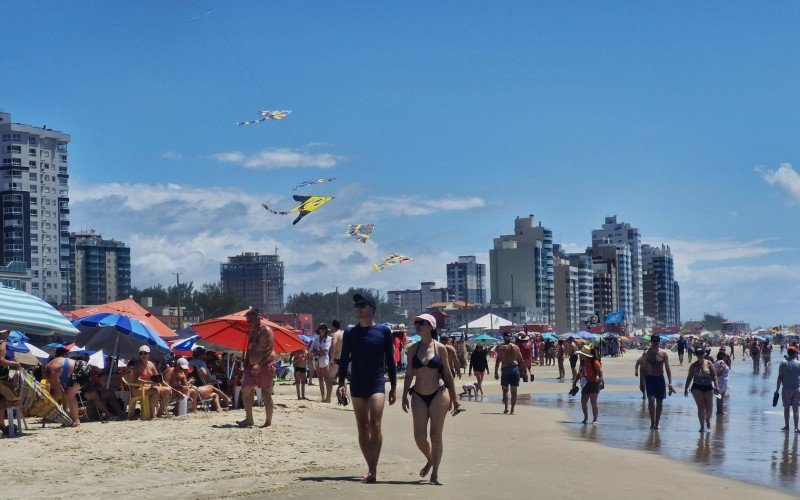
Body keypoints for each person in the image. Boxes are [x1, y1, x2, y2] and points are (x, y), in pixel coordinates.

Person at [336, 293, 397, 483]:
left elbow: (391, 361)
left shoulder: (384, 331)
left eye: (362, 305)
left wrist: (394, 386)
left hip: (377, 382)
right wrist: (341, 383)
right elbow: (345, 359)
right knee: (362, 426)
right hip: (357, 383)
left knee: (375, 424)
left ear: (372, 309)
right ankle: (370, 467)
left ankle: (373, 468)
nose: (358, 308)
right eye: (356, 305)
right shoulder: (350, 333)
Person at [402, 313, 461, 485]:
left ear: (431, 326)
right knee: (419, 437)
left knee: (436, 435)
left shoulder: (440, 348)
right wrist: (404, 394)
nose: (418, 325)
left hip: (438, 394)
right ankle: (430, 459)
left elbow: (448, 375)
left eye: (422, 322)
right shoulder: (412, 349)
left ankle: (434, 474)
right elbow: (408, 375)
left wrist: (455, 398)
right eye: (417, 323)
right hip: (418, 395)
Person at [237, 309, 276, 428]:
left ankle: (268, 421)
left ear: (258, 317)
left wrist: (259, 364)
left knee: (266, 392)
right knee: (246, 390)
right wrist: (245, 363)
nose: (249, 322)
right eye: (248, 320)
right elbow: (250, 349)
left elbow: (269, 350)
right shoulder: (251, 332)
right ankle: (249, 419)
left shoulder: (266, 331)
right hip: (251, 365)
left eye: (251, 319)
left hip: (265, 364)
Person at [45, 347, 93, 426]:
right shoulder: (52, 367)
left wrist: (48, 407)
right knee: (67, 395)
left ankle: (76, 421)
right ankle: (69, 419)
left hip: (82, 369)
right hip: (79, 369)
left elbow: (59, 393)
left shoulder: (50, 371)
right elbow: (60, 393)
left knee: (69, 395)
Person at [129, 345, 174, 418]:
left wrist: (167, 385)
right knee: (155, 391)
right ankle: (152, 414)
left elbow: (158, 378)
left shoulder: (151, 364)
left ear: (149, 354)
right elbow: (136, 380)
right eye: (141, 353)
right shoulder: (137, 365)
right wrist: (150, 383)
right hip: (137, 389)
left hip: (148, 388)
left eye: (145, 353)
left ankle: (160, 413)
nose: (143, 355)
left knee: (168, 390)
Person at [642, 335, 674, 429]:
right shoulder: (647, 353)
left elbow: (668, 368)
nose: (656, 343)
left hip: (660, 378)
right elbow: (643, 368)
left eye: (657, 341)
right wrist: (641, 382)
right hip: (650, 378)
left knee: (660, 402)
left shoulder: (663, 353)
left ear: (659, 342)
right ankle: (652, 422)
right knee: (651, 400)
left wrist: (670, 382)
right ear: (651, 342)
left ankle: (657, 422)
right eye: (654, 341)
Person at [684, 347, 719, 432]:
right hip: (697, 387)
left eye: (701, 354)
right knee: (701, 407)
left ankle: (707, 419)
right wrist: (686, 388)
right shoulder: (693, 365)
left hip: (708, 387)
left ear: (704, 354)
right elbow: (689, 377)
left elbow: (714, 375)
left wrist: (716, 386)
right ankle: (702, 426)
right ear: (696, 355)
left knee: (709, 407)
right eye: (698, 354)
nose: (700, 356)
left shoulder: (709, 363)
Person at [494, 332, 529, 415]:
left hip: (505, 369)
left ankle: (506, 408)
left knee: (505, 390)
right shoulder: (516, 347)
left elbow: (498, 360)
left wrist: (496, 372)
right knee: (514, 391)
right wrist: (524, 372)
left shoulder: (501, 348)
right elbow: (521, 360)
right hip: (514, 369)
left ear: (503, 337)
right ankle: (512, 410)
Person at [572, 346, 603, 425]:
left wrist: (599, 380)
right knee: (583, 402)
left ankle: (595, 419)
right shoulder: (583, 361)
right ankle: (586, 417)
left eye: (582, 354)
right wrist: (575, 381)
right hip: (585, 384)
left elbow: (600, 372)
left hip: (594, 384)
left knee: (593, 403)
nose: (581, 355)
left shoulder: (595, 362)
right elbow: (580, 372)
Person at [0, 329, 22, 432]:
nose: (8, 334)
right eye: (7, 332)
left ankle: (2, 425)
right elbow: (2, 361)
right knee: (12, 398)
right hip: (1, 379)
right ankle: (2, 425)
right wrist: (15, 364)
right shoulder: (2, 343)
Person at [775, 345, 800, 433]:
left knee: (786, 409)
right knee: (796, 409)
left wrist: (777, 390)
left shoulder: (783, 363)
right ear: (795, 354)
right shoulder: (798, 363)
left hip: (786, 389)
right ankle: (796, 428)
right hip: (797, 389)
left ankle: (787, 426)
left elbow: (779, 377)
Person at [311, 323, 332, 402]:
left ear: (326, 330)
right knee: (320, 379)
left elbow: (325, 351)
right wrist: (318, 351)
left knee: (326, 379)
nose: (323, 329)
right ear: (319, 330)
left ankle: (327, 397)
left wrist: (316, 351)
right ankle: (323, 396)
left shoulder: (329, 339)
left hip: (325, 361)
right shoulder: (315, 339)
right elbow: (311, 350)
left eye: (324, 328)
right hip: (317, 361)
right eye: (321, 328)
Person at [328, 319, 344, 391]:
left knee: (329, 378)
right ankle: (343, 396)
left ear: (333, 326)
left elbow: (333, 346)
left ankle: (328, 398)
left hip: (336, 358)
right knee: (342, 378)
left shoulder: (335, 334)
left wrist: (331, 360)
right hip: (343, 358)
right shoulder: (343, 333)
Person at [714, 349, 730, 415]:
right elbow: (720, 370)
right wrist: (717, 376)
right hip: (722, 381)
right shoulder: (722, 362)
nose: (726, 358)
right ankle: (720, 411)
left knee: (719, 397)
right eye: (725, 356)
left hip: (718, 381)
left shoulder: (716, 361)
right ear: (723, 356)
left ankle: (719, 411)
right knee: (721, 397)